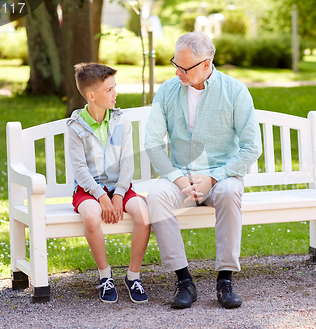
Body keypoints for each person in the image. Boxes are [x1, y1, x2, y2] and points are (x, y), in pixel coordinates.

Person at [144, 32, 262, 309]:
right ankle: (184, 280)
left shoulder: (235, 91)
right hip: (180, 177)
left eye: (185, 68)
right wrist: (176, 177)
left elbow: (251, 147)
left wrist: (213, 178)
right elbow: (152, 142)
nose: (177, 71)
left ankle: (225, 279)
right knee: (156, 196)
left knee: (231, 191)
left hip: (221, 175)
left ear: (206, 65)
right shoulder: (167, 90)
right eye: (176, 63)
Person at [67, 63, 151, 304]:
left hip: (120, 187)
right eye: (110, 90)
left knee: (144, 216)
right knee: (92, 217)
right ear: (92, 95)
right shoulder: (75, 127)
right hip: (88, 190)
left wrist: (118, 194)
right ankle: (105, 276)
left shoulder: (121, 121)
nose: (116, 94)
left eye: (115, 88)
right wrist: (102, 197)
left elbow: (127, 162)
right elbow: (80, 170)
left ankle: (133, 276)